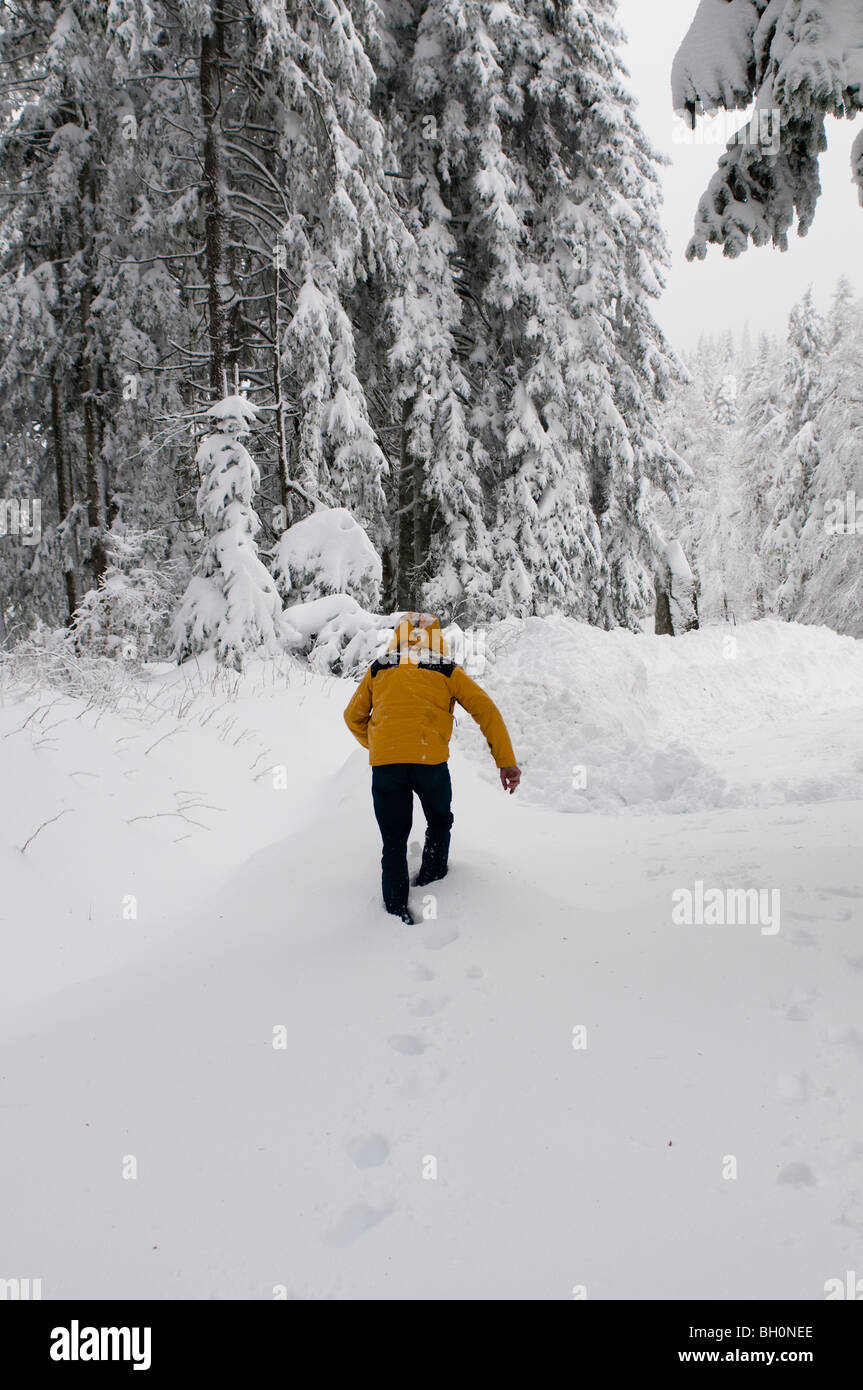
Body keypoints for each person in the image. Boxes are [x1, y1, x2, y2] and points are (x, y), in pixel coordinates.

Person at [344, 612, 521, 924]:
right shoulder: (447, 669)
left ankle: (396, 912)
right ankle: (433, 880)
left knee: (394, 841)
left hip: (387, 766)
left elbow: (352, 717)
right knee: (439, 820)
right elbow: (485, 709)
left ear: (397, 637)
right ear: (437, 639)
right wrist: (506, 762)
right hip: (430, 762)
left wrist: (380, 746)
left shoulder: (379, 668)